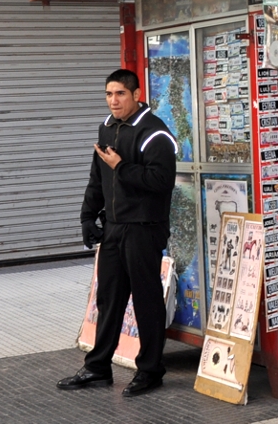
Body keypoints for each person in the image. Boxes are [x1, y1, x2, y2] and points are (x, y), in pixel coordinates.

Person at [56, 69, 177, 397]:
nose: (113, 100)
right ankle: (97, 367)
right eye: (109, 94)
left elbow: (160, 182)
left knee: (147, 302)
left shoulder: (155, 134)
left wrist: (121, 166)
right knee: (108, 299)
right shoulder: (106, 128)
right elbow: (97, 178)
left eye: (120, 94)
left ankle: (150, 370)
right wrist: (86, 218)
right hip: (113, 228)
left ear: (136, 94)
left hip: (144, 229)